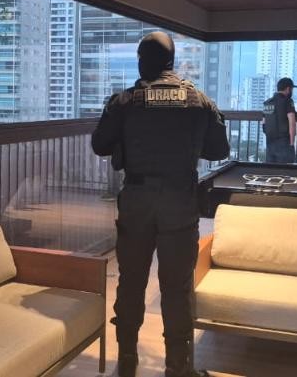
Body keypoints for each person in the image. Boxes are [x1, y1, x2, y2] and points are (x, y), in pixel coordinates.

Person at [91, 31, 229, 377]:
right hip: (180, 201)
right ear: (171, 62)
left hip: (137, 201)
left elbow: (99, 144)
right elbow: (219, 150)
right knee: (176, 286)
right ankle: (177, 367)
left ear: (142, 61)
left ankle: (127, 362)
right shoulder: (198, 100)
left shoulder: (125, 102)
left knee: (131, 280)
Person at [262, 77, 297, 163]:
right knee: (286, 170)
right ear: (288, 89)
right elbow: (292, 123)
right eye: (292, 89)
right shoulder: (287, 101)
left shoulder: (267, 103)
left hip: (269, 143)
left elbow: (264, 124)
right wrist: (292, 144)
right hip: (284, 143)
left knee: (271, 170)